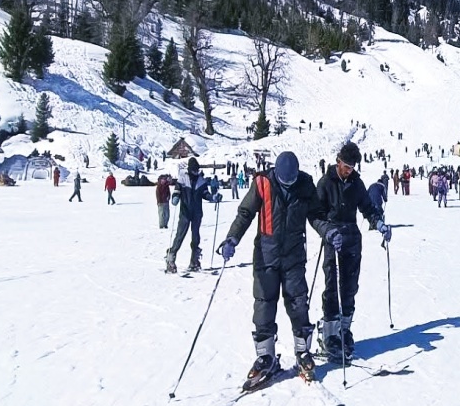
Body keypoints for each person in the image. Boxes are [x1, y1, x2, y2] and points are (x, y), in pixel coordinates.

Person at [219, 152, 324, 388]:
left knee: (298, 302)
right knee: (264, 303)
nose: (289, 184)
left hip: (294, 255)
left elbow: (316, 215)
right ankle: (265, 356)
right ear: (276, 173)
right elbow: (245, 213)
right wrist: (232, 239)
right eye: (285, 181)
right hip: (266, 254)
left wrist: (328, 231)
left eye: (292, 180)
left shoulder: (305, 184)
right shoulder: (262, 183)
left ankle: (302, 352)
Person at [309, 143, 390, 364]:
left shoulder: (356, 183)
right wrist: (327, 231)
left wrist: (378, 222)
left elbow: (367, 206)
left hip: (353, 239)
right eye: (346, 166)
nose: (349, 170)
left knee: (350, 287)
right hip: (333, 241)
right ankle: (330, 334)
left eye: (352, 167)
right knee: (333, 287)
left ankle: (344, 330)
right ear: (338, 162)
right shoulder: (325, 183)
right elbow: (315, 214)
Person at [166, 158, 220, 274]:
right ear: (190, 169)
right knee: (180, 235)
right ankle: (171, 257)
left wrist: (212, 198)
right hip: (185, 212)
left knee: (196, 236)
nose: (195, 172)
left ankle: (194, 260)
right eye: (194, 170)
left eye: (197, 170)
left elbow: (205, 193)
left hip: (197, 213)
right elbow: (177, 190)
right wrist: (175, 197)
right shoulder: (183, 178)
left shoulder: (201, 181)